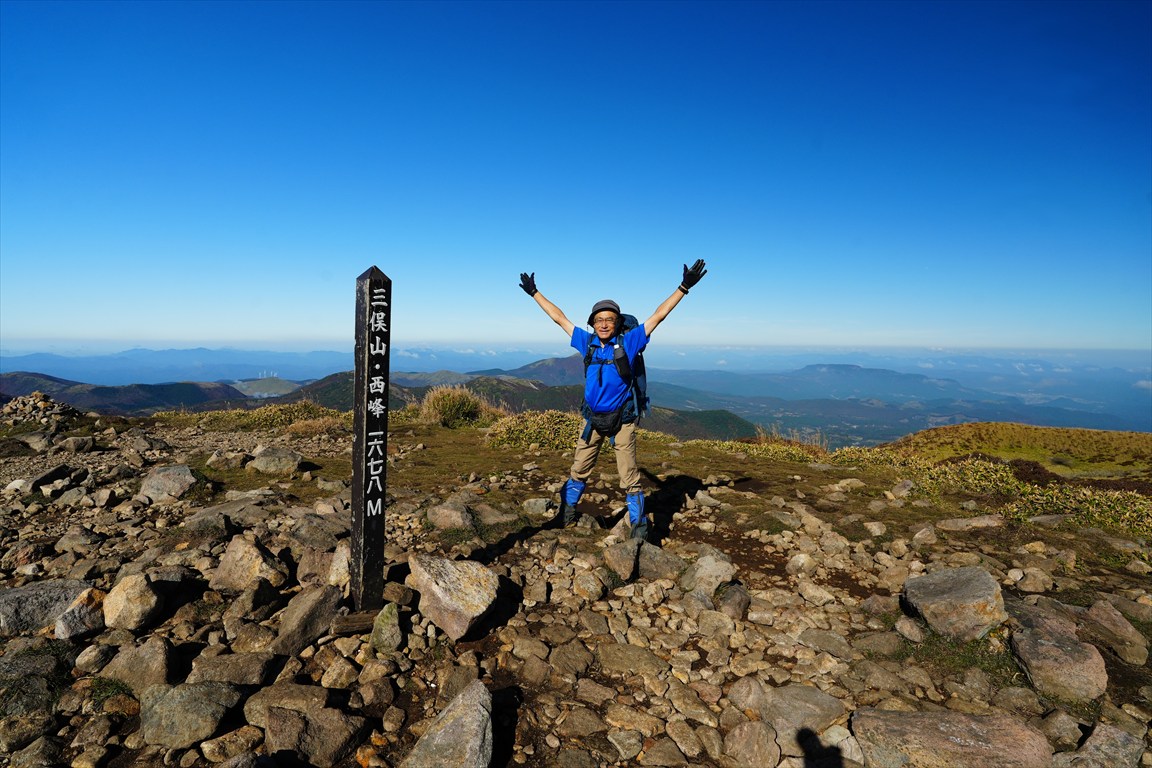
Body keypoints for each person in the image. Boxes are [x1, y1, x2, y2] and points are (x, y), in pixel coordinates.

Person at [518, 260, 708, 541]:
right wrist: (535, 293)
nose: (604, 324)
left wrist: (684, 287)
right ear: (593, 324)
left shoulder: (630, 342)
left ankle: (639, 529)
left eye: (609, 319)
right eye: (599, 320)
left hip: (622, 421)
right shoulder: (587, 343)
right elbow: (559, 318)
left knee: (629, 476)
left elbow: (659, 315)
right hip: (592, 420)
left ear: (617, 322)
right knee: (579, 469)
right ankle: (566, 514)